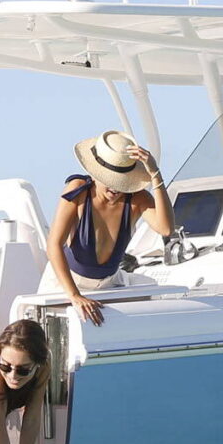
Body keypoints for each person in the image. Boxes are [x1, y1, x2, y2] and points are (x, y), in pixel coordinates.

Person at [50, 130, 175, 326]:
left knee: (159, 299)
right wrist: (74, 295)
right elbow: (53, 245)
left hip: (110, 283)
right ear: (95, 172)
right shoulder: (78, 190)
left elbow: (166, 229)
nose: (115, 189)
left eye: (121, 182)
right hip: (65, 284)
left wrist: (155, 174)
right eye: (110, 180)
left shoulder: (137, 198)